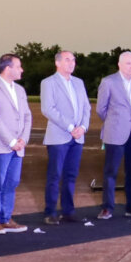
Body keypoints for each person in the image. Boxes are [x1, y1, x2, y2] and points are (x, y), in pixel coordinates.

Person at [0, 54, 32, 234]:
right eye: (19, 66)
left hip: (18, 146)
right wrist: (11, 141)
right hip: (0, 145)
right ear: (8, 68)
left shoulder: (20, 90)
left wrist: (23, 139)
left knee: (12, 182)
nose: (22, 70)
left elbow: (27, 116)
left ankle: (6, 218)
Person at [98, 51, 131, 219]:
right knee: (111, 172)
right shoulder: (108, 82)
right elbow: (101, 109)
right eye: (128, 63)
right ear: (119, 64)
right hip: (115, 132)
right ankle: (107, 208)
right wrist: (116, 122)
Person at [39, 49, 90, 225]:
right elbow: (48, 108)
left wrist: (82, 127)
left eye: (73, 60)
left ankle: (68, 211)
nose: (72, 63)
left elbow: (86, 107)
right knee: (55, 175)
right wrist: (70, 127)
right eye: (67, 60)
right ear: (57, 63)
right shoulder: (48, 83)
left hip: (77, 138)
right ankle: (51, 212)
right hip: (59, 136)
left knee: (71, 175)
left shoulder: (79, 82)